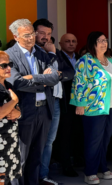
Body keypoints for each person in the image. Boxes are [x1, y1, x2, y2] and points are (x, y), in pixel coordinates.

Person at [6, 19, 59, 185]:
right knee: (20, 158)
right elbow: (17, 83)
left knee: (36, 157)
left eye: (32, 34)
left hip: (44, 111)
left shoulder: (40, 52)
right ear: (16, 36)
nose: (31, 38)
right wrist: (43, 81)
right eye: (26, 35)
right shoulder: (9, 55)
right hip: (23, 112)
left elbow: (55, 77)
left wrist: (34, 78)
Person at [70, 31, 112, 184]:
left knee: (105, 139)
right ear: (92, 43)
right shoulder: (85, 60)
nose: (104, 43)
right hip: (93, 106)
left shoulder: (109, 60)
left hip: (110, 105)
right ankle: (90, 172)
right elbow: (78, 83)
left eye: (105, 40)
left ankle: (102, 167)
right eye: (100, 40)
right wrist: (79, 104)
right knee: (93, 140)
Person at [33, 19, 74, 185]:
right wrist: (51, 54)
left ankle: (43, 176)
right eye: (42, 33)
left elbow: (70, 71)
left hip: (55, 102)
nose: (45, 37)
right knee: (37, 141)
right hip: (40, 102)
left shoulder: (55, 51)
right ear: (33, 32)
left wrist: (59, 74)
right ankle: (34, 177)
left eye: (48, 34)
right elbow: (43, 74)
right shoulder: (33, 52)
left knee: (49, 141)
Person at [54, 33, 82, 177]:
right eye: (67, 41)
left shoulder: (80, 58)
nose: (71, 44)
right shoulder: (56, 57)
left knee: (78, 132)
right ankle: (66, 165)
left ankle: (78, 160)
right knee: (65, 134)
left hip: (80, 102)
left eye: (73, 41)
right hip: (65, 101)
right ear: (60, 43)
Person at [0, 51, 22, 185]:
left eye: (10, 64)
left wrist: (18, 112)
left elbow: (18, 109)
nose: (9, 68)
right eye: (4, 65)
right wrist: (14, 101)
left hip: (10, 139)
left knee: (7, 176)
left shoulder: (8, 85)